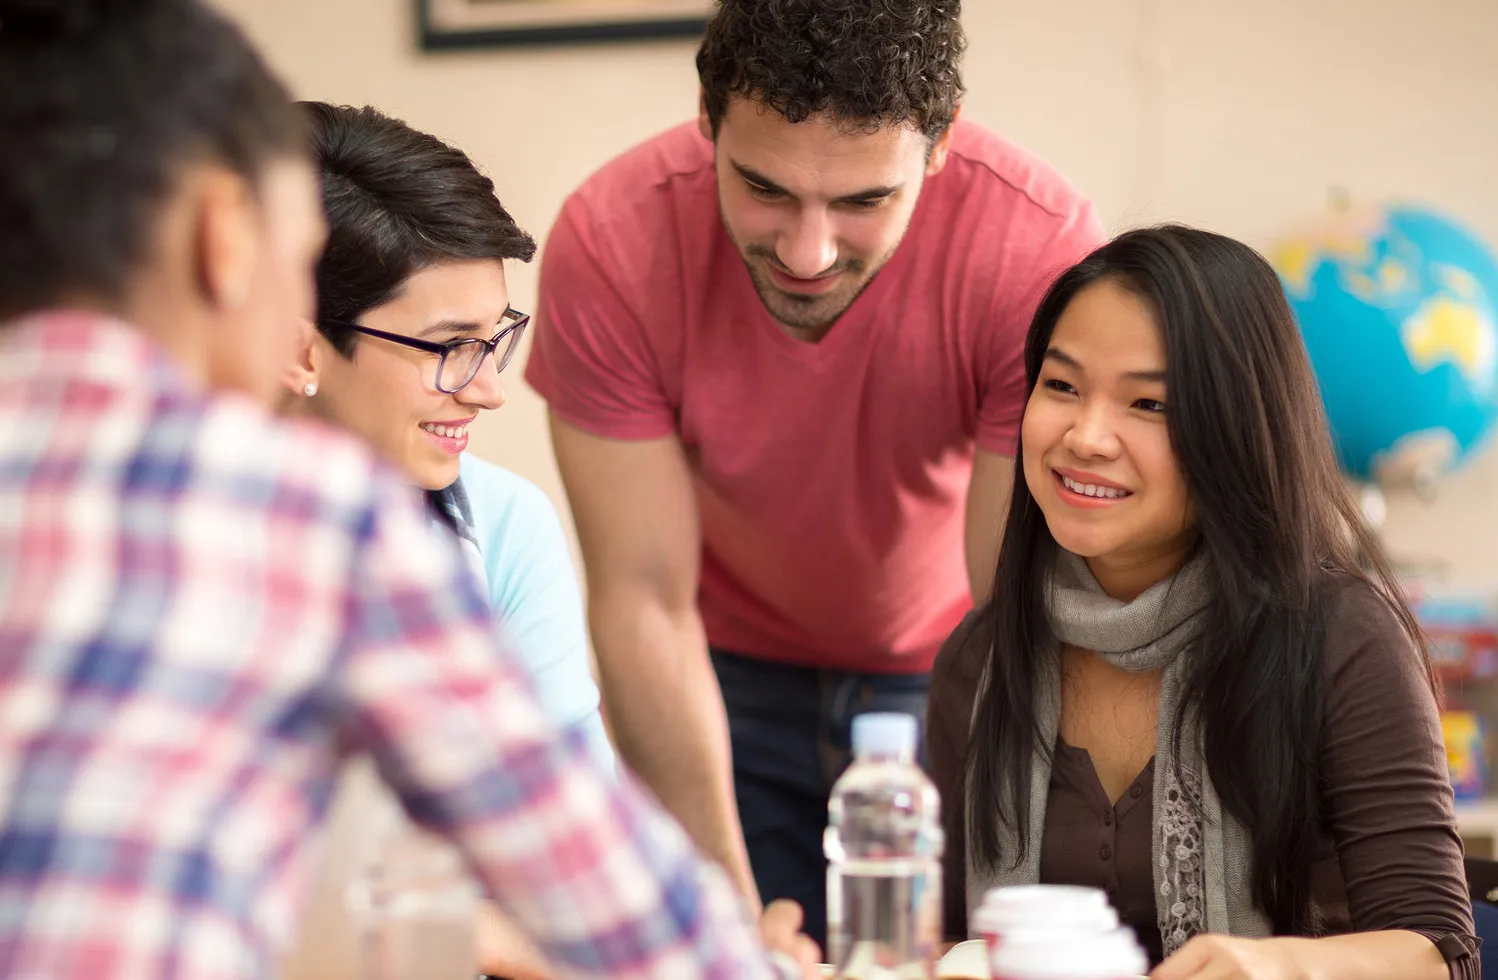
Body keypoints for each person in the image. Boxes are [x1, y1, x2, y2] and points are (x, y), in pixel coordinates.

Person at [0, 1, 818, 977]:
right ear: (226, 238)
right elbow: (624, 914)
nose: (486, 384)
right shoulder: (313, 516)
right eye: (292, 252)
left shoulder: (492, 520)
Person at [524, 0, 1105, 938]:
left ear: (942, 143)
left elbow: (1018, 609)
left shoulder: (1035, 250)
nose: (809, 251)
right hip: (716, 682)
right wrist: (721, 923)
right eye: (764, 188)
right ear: (707, 121)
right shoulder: (611, 242)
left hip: (954, 670)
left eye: (865, 201)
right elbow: (640, 601)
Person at [925, 226, 1481, 979]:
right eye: (1061, 386)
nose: (1086, 436)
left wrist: (1279, 969)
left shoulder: (1342, 636)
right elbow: (950, 942)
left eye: (1149, 403)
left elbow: (1437, 952)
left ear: (1238, 429)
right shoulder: (984, 656)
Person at [279, 101, 614, 980]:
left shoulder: (501, 527)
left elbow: (577, 850)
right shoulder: (142, 540)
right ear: (299, 348)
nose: (489, 390)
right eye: (447, 348)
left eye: (494, 339)